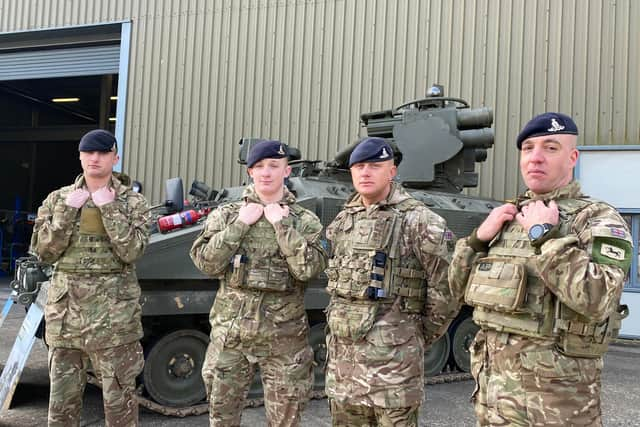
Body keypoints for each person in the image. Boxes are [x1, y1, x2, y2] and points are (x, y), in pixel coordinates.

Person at [449, 112, 632, 426]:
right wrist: (477, 240)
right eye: (528, 148)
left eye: (550, 148)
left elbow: (597, 298)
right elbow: (453, 292)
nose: (535, 158)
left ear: (572, 157)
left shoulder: (597, 219)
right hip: (494, 404)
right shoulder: (506, 219)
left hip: (557, 410)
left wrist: (544, 237)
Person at [190, 139, 327, 426]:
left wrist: (282, 226)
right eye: (259, 166)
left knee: (285, 421)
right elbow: (206, 263)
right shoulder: (227, 215)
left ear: (286, 171)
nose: (266, 172)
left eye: (274, 166)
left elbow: (308, 270)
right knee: (221, 417)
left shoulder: (304, 221)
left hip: (284, 340)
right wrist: (240, 225)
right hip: (231, 337)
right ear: (250, 172)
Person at [324, 137, 459, 426]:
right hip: (345, 372)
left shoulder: (420, 221)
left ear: (392, 171)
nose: (365, 172)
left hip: (394, 370)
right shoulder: (344, 220)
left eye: (375, 165)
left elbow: (447, 287)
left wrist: (417, 334)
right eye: (359, 166)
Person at [30, 129, 150, 426]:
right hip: (67, 320)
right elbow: (43, 252)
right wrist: (67, 212)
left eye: (103, 152)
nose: (95, 158)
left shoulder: (133, 203)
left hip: (115, 322)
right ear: (81, 156)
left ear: (115, 157)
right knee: (62, 407)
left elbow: (132, 251)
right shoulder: (58, 199)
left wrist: (108, 207)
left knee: (120, 408)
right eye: (89, 152)